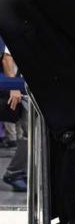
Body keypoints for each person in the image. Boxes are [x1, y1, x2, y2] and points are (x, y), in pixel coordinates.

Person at [1, 47, 27, 192]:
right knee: (31, 132)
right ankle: (15, 172)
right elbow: (6, 57)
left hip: (21, 87)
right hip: (15, 88)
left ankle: (19, 172)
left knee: (30, 132)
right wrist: (13, 86)